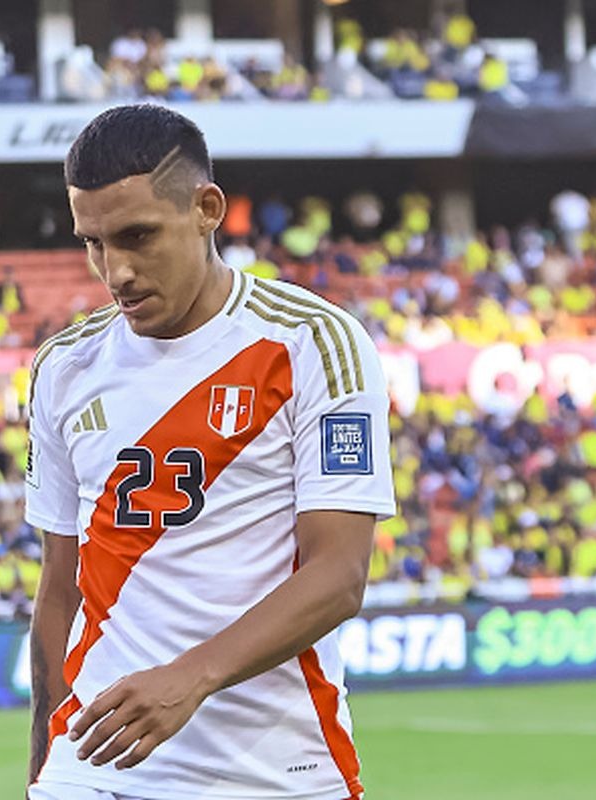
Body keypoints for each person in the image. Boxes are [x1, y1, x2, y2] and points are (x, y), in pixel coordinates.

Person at [26, 104, 394, 800]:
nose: (117, 271)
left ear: (206, 208)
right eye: (94, 243)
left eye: (138, 237)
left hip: (271, 771)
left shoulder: (313, 344)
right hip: (92, 768)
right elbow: (60, 586)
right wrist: (42, 768)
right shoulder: (64, 367)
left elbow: (340, 575)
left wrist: (188, 678)